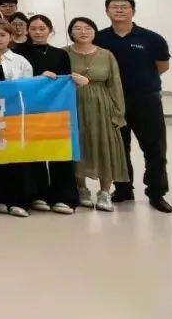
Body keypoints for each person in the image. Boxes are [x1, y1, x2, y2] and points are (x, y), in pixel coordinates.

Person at [95, 0, 171, 212]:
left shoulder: (151, 38)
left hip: (146, 99)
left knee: (155, 148)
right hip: (112, 100)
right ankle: (123, 189)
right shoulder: (100, 38)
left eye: (124, 7)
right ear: (107, 12)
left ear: (133, 11)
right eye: (114, 7)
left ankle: (156, 193)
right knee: (119, 148)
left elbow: (162, 66)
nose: (119, 10)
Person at [67, 17, 128, 212]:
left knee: (105, 147)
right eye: (78, 28)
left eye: (88, 28)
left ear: (94, 31)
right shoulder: (63, 53)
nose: (83, 32)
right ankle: (81, 190)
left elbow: (115, 84)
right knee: (78, 146)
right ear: (71, 32)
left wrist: (118, 113)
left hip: (102, 106)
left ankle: (104, 193)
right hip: (73, 105)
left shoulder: (106, 55)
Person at [19, 15, 77, 214]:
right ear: (27, 31)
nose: (38, 32)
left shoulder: (60, 54)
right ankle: (37, 194)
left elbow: (66, 80)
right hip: (29, 109)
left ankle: (63, 196)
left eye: (42, 28)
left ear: (50, 31)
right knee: (34, 152)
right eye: (33, 28)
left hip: (56, 108)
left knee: (59, 149)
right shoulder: (18, 53)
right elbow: (17, 81)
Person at [0, 19, 34, 218]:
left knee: (17, 157)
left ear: (10, 37)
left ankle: (19, 201)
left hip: (14, 115)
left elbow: (29, 88)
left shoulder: (20, 61)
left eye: (2, 35)